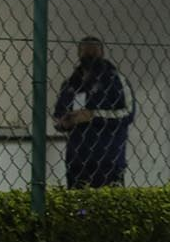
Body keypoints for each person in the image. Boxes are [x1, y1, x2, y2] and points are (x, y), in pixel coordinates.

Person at [53, 37, 135, 189]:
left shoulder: (115, 80)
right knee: (80, 209)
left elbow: (128, 113)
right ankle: (82, 213)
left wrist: (93, 115)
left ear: (102, 53)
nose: (90, 56)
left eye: (94, 52)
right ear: (79, 54)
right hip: (77, 161)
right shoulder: (71, 83)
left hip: (108, 160)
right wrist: (63, 122)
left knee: (109, 205)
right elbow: (57, 116)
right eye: (86, 53)